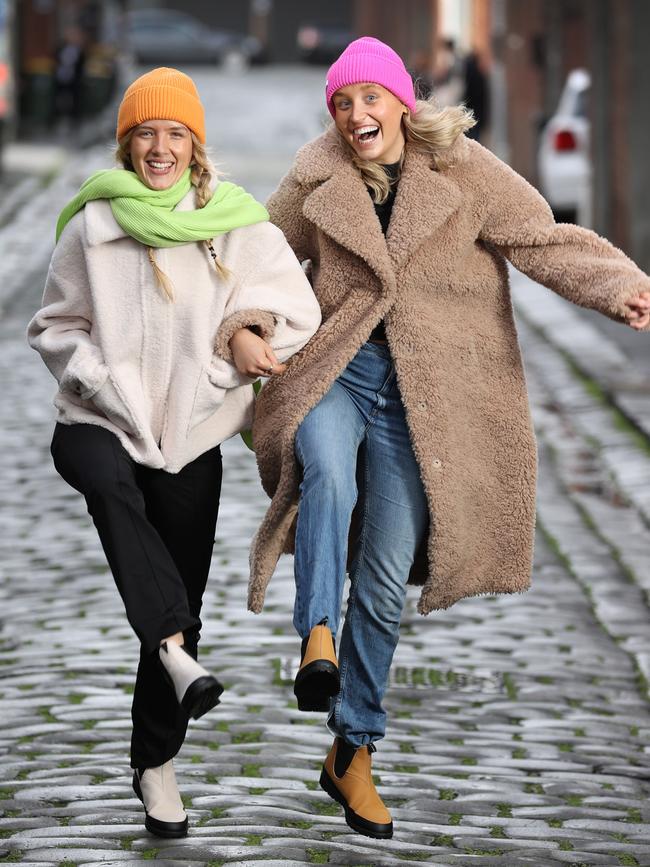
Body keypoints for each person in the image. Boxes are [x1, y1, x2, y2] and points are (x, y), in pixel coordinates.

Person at [246, 37, 650, 840]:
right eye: (343, 102)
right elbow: (262, 262)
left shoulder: (464, 168)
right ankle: (314, 634)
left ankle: (352, 749)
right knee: (326, 468)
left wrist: (623, 287)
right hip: (340, 369)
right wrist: (247, 328)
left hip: (426, 398)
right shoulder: (315, 171)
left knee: (389, 572)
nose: (357, 114)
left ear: (404, 100)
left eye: (371, 98)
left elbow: (540, 237)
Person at [27, 67, 320, 839]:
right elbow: (55, 326)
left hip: (189, 439)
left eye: (175, 134)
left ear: (195, 145)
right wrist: (101, 382)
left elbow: (296, 308)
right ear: (127, 144)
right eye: (145, 134)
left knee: (183, 595)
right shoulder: (93, 223)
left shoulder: (234, 222)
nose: (160, 147)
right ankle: (172, 648)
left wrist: (231, 355)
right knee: (109, 489)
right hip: (97, 422)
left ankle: (155, 759)